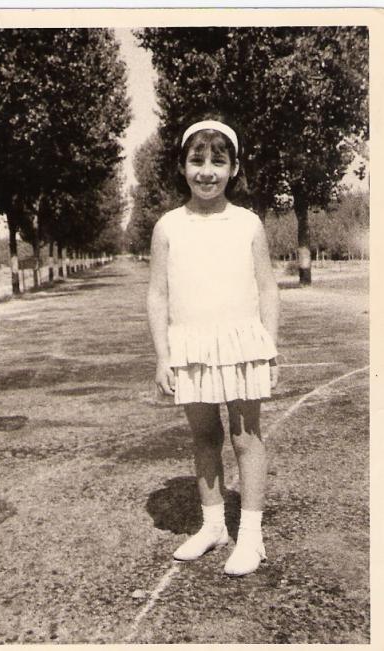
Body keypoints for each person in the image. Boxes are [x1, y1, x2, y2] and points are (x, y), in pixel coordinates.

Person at [147, 117, 280, 576]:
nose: (207, 172)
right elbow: (158, 294)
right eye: (196, 160)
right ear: (182, 166)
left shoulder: (248, 223)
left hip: (241, 344)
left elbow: (267, 287)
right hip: (191, 345)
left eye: (218, 162)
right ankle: (213, 526)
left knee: (246, 436)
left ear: (234, 168)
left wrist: (270, 347)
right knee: (205, 436)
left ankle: (252, 537)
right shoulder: (168, 226)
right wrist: (163, 356)